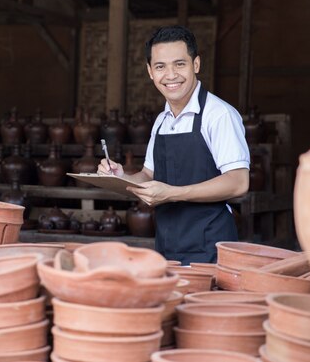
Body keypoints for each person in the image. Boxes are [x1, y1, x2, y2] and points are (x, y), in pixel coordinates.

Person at [97, 25, 250, 264]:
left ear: (196, 65)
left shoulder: (219, 115)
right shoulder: (161, 120)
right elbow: (148, 175)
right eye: (160, 66)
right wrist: (121, 177)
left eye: (179, 64)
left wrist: (173, 194)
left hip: (210, 246)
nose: (170, 75)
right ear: (150, 72)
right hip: (167, 245)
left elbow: (238, 182)